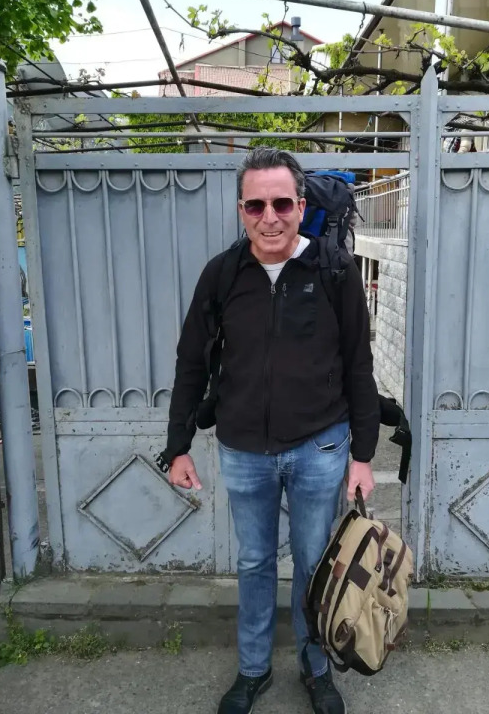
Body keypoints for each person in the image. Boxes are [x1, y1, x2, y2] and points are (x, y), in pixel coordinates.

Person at [163, 147, 380, 714]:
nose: (270, 217)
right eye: (256, 205)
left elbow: (359, 365)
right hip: (243, 451)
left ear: (300, 205)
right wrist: (177, 445)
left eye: (282, 203)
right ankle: (253, 670)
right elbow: (191, 361)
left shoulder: (334, 270)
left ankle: (316, 668)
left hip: (320, 445)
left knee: (314, 564)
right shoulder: (222, 274)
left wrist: (363, 456)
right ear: (241, 210)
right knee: (255, 562)